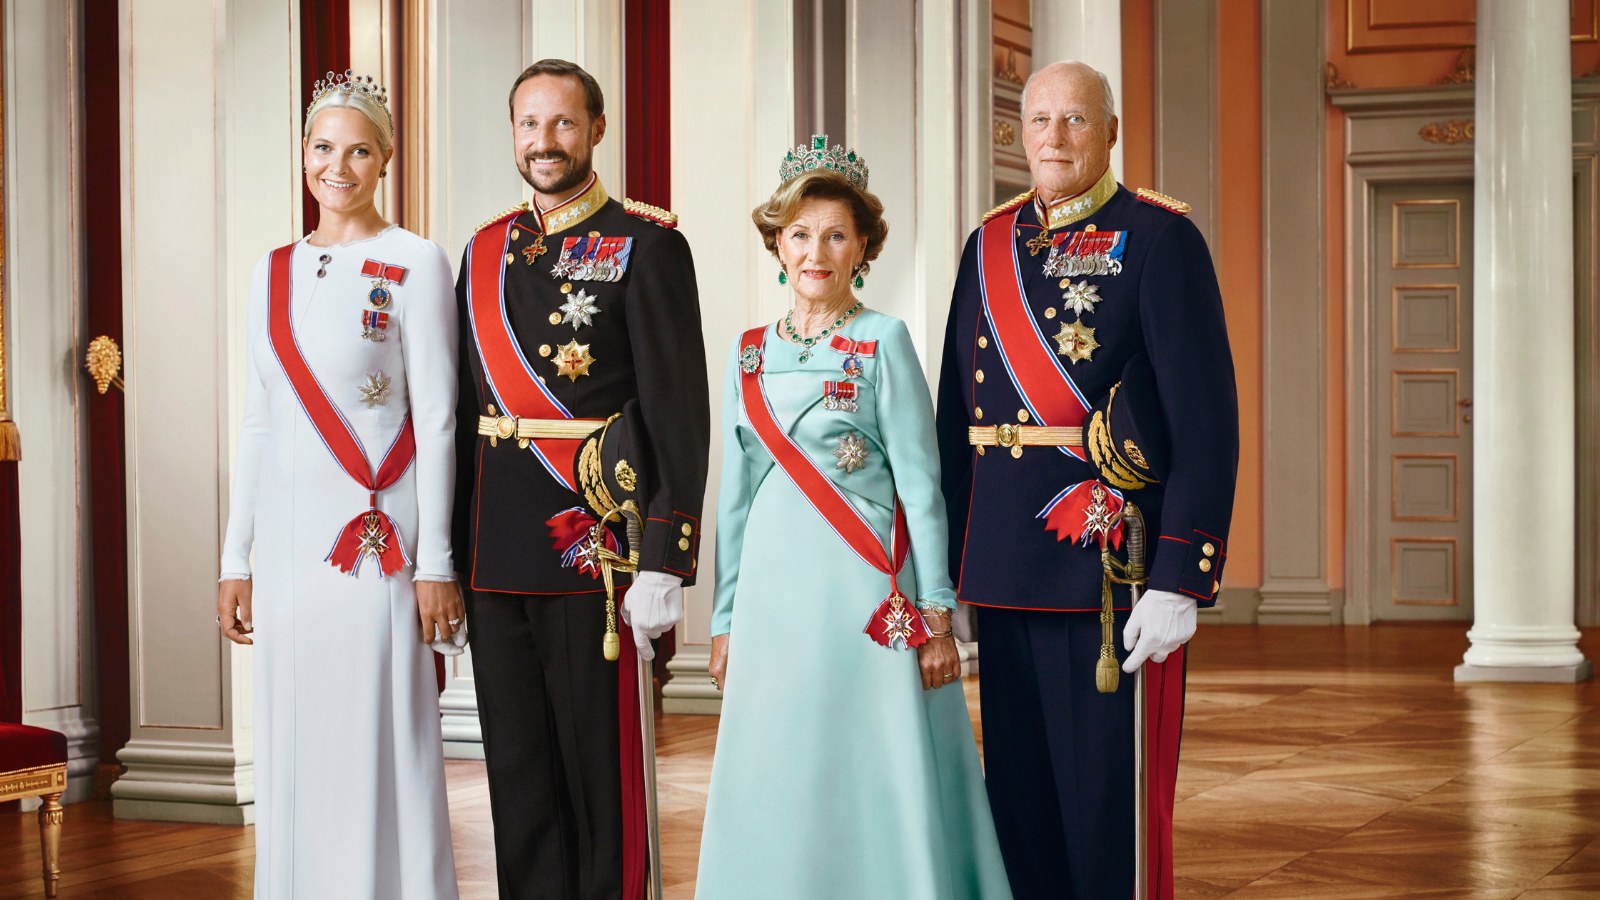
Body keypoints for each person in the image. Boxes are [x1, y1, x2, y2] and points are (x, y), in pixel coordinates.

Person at [934, 60, 1240, 899]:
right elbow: (954, 421)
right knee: (1021, 804)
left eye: (1074, 119)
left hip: (1115, 571)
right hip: (1001, 565)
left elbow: (1205, 425)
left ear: (1110, 132)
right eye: (1038, 121)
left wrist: (1182, 574)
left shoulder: (1160, 237)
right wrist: (948, 567)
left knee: (1111, 811)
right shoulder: (988, 243)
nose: (1054, 137)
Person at [696, 136, 1012, 900]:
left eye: (836, 235)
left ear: (862, 246)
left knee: (870, 757)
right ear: (777, 240)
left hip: (868, 596)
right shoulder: (746, 354)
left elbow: (923, 486)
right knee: (780, 757)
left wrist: (938, 613)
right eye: (800, 234)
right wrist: (726, 616)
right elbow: (733, 500)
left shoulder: (882, 341)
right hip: (774, 601)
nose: (816, 252)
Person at [452, 59, 708, 900]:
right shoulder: (485, 249)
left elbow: (678, 411)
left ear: (597, 130)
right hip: (496, 557)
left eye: (563, 124)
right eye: (530, 125)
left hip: (599, 549)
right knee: (519, 780)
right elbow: (460, 414)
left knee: (604, 780)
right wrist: (450, 560)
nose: (545, 142)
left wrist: (666, 559)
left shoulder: (648, 242)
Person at [216, 70, 462, 899]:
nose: (339, 166)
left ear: (386, 158)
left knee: (375, 733)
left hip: (372, 536)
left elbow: (436, 419)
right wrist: (234, 556)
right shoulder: (272, 270)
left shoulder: (415, 261)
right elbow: (256, 418)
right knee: (299, 736)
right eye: (325, 147)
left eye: (359, 150)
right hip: (288, 545)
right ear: (303, 154)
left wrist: (437, 562)